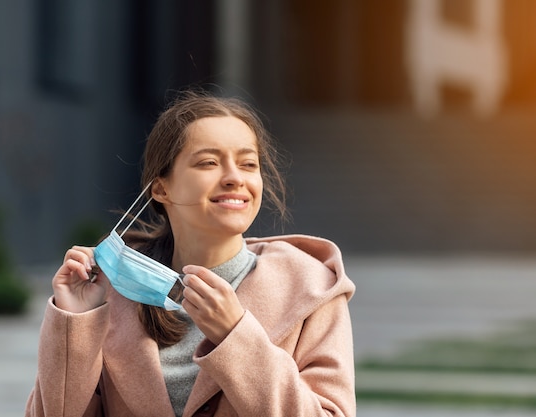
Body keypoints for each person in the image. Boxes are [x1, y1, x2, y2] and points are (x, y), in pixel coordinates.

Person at [25, 90, 356, 417]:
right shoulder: (110, 289)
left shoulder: (312, 289)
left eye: (248, 163)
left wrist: (235, 336)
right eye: (209, 162)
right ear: (161, 188)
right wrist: (76, 323)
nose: (234, 178)